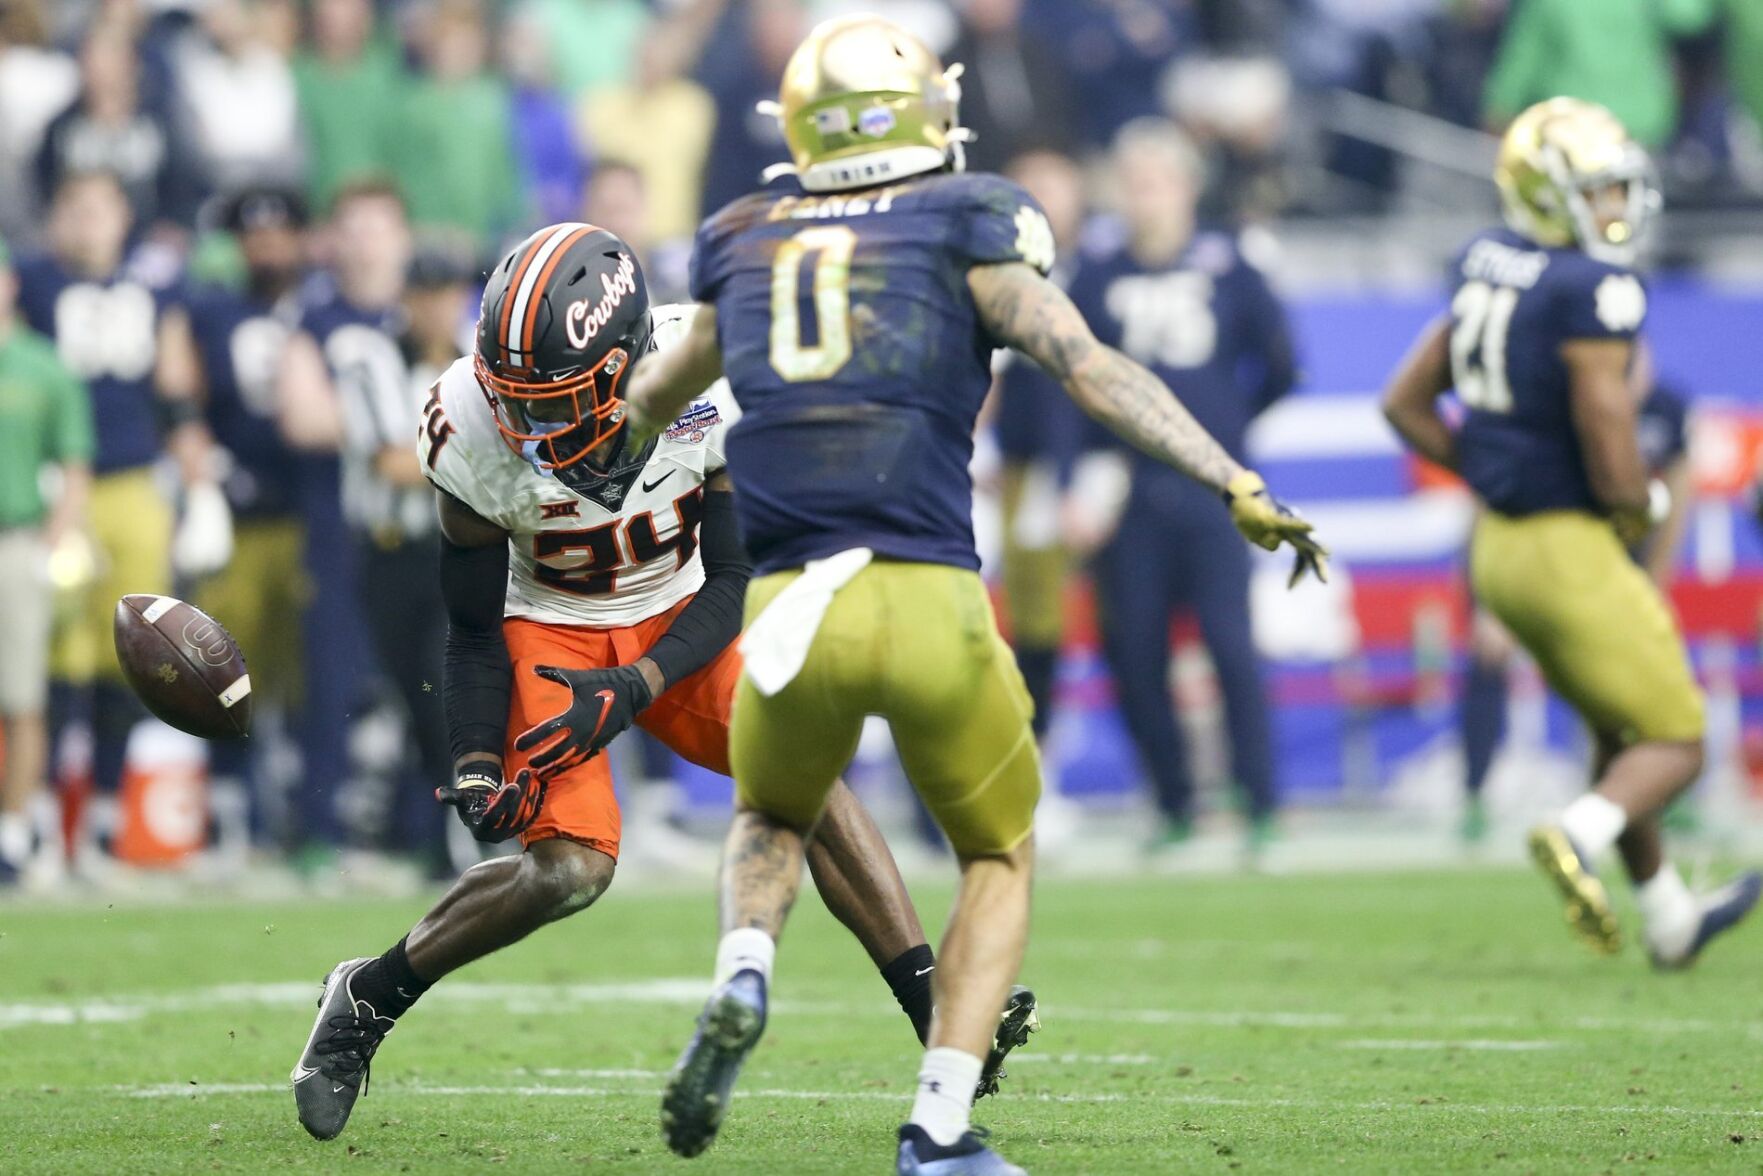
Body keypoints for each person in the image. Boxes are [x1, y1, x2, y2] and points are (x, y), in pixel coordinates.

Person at [621, 17, 1324, 1173]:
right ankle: (937, 1131)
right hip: (924, 595)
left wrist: (586, 465)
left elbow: (656, 396)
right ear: (919, 116)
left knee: (774, 815)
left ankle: (742, 971)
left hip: (789, 604)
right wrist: (1231, 477)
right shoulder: (965, 220)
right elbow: (1088, 366)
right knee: (996, 857)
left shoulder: (743, 235)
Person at [289, 225, 1036, 1142]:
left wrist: (638, 684)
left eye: (552, 403)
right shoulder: (467, 430)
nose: (527, 428)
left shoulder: (709, 381)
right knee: (569, 872)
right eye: (512, 402)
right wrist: (476, 758)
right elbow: (476, 627)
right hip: (546, 632)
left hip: (683, 618)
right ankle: (368, 996)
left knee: (802, 774)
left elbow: (732, 580)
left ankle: (932, 1007)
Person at [1381, 97, 1760, 967]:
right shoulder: (1593, 288)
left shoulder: (1487, 263)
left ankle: (1668, 918)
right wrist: (1639, 506)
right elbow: (1605, 425)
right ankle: (1575, 832)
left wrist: (1487, 471)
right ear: (1548, 196)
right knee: (1676, 740)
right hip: (1566, 547)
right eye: (1597, 192)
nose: (1616, 207)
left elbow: (1402, 402)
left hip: (1498, 547)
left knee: (1614, 728)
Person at [1067, 118, 1297, 854]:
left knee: (1231, 645)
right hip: (1129, 488)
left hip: (1209, 487)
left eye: (1157, 182)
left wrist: (1221, 438)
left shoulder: (1228, 261)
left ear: (1187, 187)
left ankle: (1260, 804)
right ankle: (1171, 804)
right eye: (1132, 184)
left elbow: (1281, 364)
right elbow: (1066, 376)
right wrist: (1083, 479)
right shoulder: (1098, 269)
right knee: (1133, 650)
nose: (1145, 198)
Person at [15, 169, 223, 851]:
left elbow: (173, 380)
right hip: (62, 485)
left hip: (135, 481)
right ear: (55, 219)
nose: (86, 222)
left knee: (133, 654)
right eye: (73, 207)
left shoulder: (152, 287)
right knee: (55, 656)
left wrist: (196, 472)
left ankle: (103, 815)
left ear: (122, 216)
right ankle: (45, 817)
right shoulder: (34, 282)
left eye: (100, 208)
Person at [1458, 364, 1696, 843]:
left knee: (1640, 709)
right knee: (1677, 734)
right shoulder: (1552, 401)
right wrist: (1488, 605)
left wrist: (1657, 577)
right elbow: (1488, 493)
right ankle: (1487, 798)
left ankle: (1626, 816)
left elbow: (1677, 488)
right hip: (1554, 563)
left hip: (1610, 572)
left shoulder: (1662, 407)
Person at [275, 176, 412, 865]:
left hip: (423, 530)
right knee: (329, 683)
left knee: (430, 683)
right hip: (338, 528)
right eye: (351, 225)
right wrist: (397, 426)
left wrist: (365, 421)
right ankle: (318, 834)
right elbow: (302, 418)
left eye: (377, 224)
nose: (364, 241)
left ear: (403, 236)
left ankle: (425, 837)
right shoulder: (315, 319)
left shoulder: (428, 316)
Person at [186, 185, 311, 862]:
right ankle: (230, 816)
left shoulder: (318, 308)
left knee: (304, 674)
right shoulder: (211, 311)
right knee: (227, 675)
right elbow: (184, 393)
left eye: (278, 231)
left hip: (306, 512)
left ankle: (295, 810)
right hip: (237, 515)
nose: (266, 245)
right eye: (253, 235)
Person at [0, 235, 92, 884]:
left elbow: (75, 462)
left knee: (22, 696)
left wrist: (56, 540)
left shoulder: (42, 365)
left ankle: (13, 833)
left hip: (16, 539)